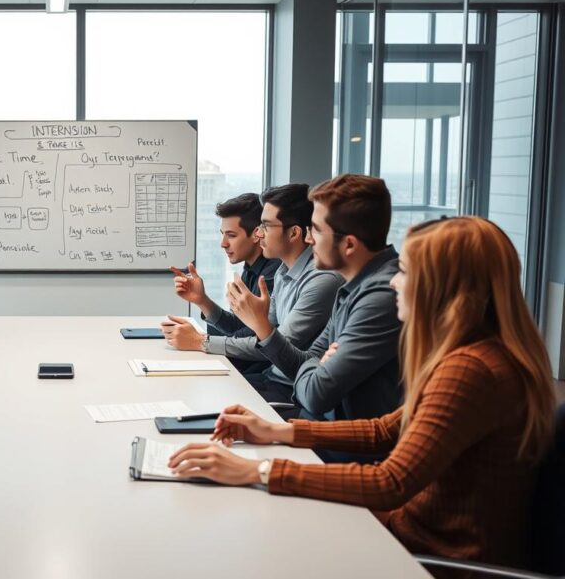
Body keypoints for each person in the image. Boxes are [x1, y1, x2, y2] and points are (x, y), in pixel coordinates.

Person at [168, 216, 557, 573]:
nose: (394, 283)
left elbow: (390, 482)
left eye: (405, 271)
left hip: (427, 555)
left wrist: (257, 470)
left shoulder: (470, 369)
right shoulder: (476, 353)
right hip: (410, 532)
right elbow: (385, 431)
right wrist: (277, 433)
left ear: (441, 287)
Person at [227, 175, 402, 430]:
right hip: (322, 426)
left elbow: (316, 394)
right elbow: (305, 363)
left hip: (341, 442)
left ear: (349, 244)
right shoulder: (352, 288)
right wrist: (318, 364)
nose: (309, 240)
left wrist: (316, 366)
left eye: (316, 230)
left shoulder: (380, 297)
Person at [167, 185, 343, 408]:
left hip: (288, 390)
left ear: (294, 233)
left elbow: (274, 343)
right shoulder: (283, 272)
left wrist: (201, 342)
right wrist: (202, 301)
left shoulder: (321, 281)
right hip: (273, 379)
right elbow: (258, 331)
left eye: (266, 227)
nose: (260, 233)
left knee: (201, 401)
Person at [164, 193, 280, 373]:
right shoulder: (251, 268)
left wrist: (198, 340)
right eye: (222, 235)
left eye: (231, 235)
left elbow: (248, 336)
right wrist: (202, 301)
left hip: (258, 375)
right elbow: (238, 327)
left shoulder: (273, 274)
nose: (223, 244)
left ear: (257, 234)